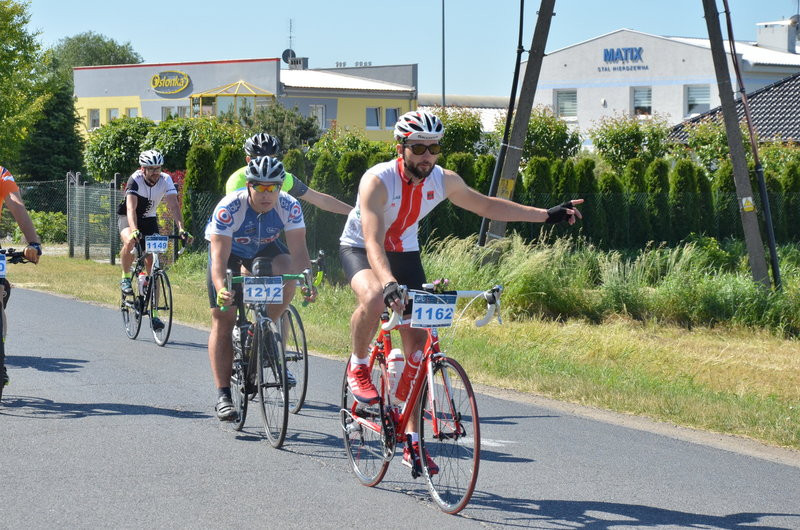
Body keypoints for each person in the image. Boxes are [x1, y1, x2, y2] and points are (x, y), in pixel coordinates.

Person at [339, 110, 583, 473]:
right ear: (401, 147)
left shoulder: (442, 179)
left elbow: (487, 205)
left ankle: (410, 439)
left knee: (420, 353)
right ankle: (358, 367)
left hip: (405, 252)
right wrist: (389, 284)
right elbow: (373, 241)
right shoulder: (378, 180)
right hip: (361, 248)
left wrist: (546, 215)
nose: (427, 156)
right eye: (418, 147)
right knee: (375, 297)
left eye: (433, 148)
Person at [206, 155, 316, 421]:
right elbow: (218, 260)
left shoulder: (289, 206)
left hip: (264, 249)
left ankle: (265, 329)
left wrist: (306, 281)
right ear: (248, 186)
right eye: (260, 187)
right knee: (224, 317)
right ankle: (223, 395)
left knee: (289, 269)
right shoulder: (229, 208)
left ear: (280, 187)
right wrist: (222, 288)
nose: (267, 194)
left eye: (273, 187)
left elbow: (300, 254)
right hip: (231, 252)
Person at [117, 150, 190, 331]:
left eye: (157, 168)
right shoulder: (135, 179)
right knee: (130, 242)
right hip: (129, 217)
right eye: (151, 169)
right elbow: (131, 208)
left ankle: (155, 313)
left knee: (154, 263)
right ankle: (126, 278)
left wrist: (181, 228)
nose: (155, 172)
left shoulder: (165, 180)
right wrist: (134, 231)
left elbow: (173, 205)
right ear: (143, 169)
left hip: (149, 219)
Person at [224, 132, 352, 215]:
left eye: (270, 159)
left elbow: (321, 200)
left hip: (266, 240)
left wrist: (355, 213)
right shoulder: (236, 181)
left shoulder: (284, 178)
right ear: (248, 160)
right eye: (259, 159)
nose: (265, 164)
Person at [0, 165, 42, 389]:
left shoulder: (1, 173)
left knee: (0, 291)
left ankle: (1, 361)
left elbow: (18, 207)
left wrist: (33, 242)